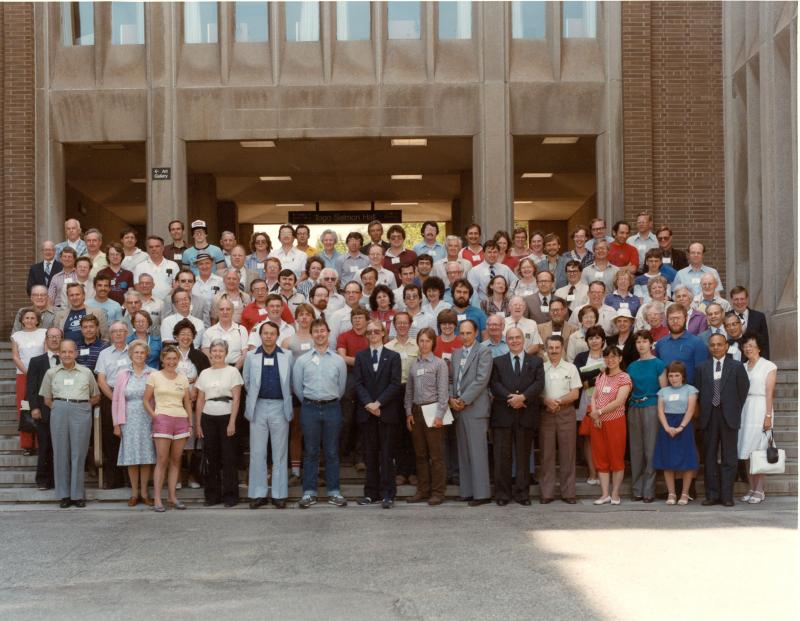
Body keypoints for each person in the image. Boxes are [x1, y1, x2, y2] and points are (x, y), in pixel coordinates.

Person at [293, 319, 348, 509]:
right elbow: (298, 388)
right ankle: (309, 492)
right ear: (311, 334)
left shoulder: (338, 360)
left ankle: (334, 492)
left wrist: (329, 400)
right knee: (310, 451)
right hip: (309, 408)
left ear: (328, 333)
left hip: (333, 408)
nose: (319, 334)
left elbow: (341, 388)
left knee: (332, 451)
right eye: (315, 331)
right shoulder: (302, 360)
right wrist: (311, 401)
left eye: (322, 331)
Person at [39, 340, 101, 508]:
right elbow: (46, 399)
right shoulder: (51, 373)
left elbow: (95, 396)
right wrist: (61, 407)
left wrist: (81, 407)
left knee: (78, 453)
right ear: (59, 353)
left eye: (70, 351)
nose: (67, 354)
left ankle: (77, 494)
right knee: (60, 453)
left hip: (80, 411)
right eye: (63, 351)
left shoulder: (86, 372)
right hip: (58, 410)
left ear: (76, 353)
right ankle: (64, 495)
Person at [490, 327, 544, 506]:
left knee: (523, 456)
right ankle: (502, 494)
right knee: (502, 456)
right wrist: (511, 398)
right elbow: (494, 384)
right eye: (511, 338)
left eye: (517, 338)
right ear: (507, 341)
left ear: (524, 340)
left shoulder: (535, 362)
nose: (514, 341)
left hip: (525, 413)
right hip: (503, 414)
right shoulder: (497, 362)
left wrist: (523, 397)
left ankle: (522, 494)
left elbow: (539, 384)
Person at [244, 321, 294, 509]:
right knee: (257, 452)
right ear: (260, 335)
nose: (268, 336)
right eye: (265, 333)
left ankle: (279, 494)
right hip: (258, 406)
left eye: (272, 333)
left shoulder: (287, 355)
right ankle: (258, 493)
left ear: (277, 335)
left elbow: (291, 382)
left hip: (280, 406)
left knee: (280, 453)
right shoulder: (251, 356)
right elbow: (247, 382)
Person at [696, 333, 750, 507]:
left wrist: (732, 408)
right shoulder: (702, 367)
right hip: (709, 416)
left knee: (729, 457)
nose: (716, 347)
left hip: (728, 416)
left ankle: (727, 496)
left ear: (726, 346)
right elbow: (698, 391)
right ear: (709, 347)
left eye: (720, 344)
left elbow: (743, 390)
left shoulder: (736, 367)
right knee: (710, 456)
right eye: (712, 345)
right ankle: (712, 495)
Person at [353, 320, 402, 508]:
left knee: (387, 454)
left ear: (383, 333)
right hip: (367, 413)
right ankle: (371, 493)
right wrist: (369, 404)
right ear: (366, 335)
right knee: (370, 454)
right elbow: (358, 383)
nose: (373, 334)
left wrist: (379, 403)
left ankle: (388, 493)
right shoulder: (361, 356)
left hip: (386, 411)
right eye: (369, 332)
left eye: (376, 331)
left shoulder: (393, 356)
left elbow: (395, 383)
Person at [143, 345, 194, 512]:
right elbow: (146, 400)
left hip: (181, 420)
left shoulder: (183, 378)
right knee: (162, 460)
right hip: (163, 419)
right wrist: (155, 416)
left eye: (174, 358)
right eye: (168, 359)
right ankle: (158, 498)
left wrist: (190, 423)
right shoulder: (155, 376)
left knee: (175, 460)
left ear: (178, 360)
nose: (171, 362)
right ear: (163, 360)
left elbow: (187, 402)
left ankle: (172, 497)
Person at [195, 340, 244, 507]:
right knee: (211, 457)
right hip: (208, 417)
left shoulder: (233, 372)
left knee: (228, 457)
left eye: (220, 350)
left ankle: (230, 496)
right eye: (214, 350)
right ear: (210, 353)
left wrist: (232, 422)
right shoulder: (204, 373)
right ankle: (212, 495)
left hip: (226, 416)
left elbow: (237, 398)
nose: (217, 353)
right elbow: (200, 400)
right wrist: (198, 424)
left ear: (226, 353)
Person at [449, 320, 493, 506]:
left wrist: (463, 400)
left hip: (474, 407)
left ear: (476, 333)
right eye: (463, 333)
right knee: (464, 451)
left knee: (477, 451)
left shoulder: (483, 351)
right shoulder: (456, 353)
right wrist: (452, 398)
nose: (465, 336)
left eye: (469, 333)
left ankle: (482, 494)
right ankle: (467, 491)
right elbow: (452, 379)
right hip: (459, 407)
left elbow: (481, 380)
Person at [405, 328, 449, 506]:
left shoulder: (440, 364)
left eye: (427, 341)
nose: (424, 344)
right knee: (420, 454)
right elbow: (409, 391)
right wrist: (408, 412)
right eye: (421, 340)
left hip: (433, 411)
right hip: (416, 412)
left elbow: (443, 392)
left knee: (436, 455)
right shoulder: (414, 365)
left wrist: (439, 415)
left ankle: (438, 492)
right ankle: (423, 490)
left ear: (433, 343)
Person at [111, 340, 157, 507]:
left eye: (142, 352)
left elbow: (157, 398)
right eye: (136, 352)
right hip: (128, 418)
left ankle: (144, 493)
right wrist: (116, 423)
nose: (139, 355)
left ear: (146, 355)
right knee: (131, 457)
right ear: (131, 354)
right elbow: (116, 400)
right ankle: (134, 493)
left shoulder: (153, 373)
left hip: (147, 418)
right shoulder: (123, 374)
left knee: (145, 456)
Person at [626, 330, 667, 502]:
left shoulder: (659, 364)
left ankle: (648, 490)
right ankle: (637, 489)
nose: (641, 345)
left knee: (650, 449)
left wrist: (661, 412)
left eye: (644, 341)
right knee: (636, 450)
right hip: (634, 406)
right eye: (638, 342)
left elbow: (663, 391)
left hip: (652, 406)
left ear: (650, 343)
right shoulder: (631, 366)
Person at [588, 346, 632, 505]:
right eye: (607, 357)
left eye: (614, 357)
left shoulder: (624, 377)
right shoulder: (601, 375)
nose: (610, 360)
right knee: (600, 457)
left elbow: (619, 401)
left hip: (615, 421)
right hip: (598, 422)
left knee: (616, 457)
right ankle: (605, 494)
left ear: (620, 359)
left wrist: (598, 412)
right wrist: (594, 413)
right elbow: (594, 396)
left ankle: (615, 494)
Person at [540, 335, 581, 503]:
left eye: (557, 348)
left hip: (566, 413)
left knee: (568, 453)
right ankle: (547, 493)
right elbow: (537, 391)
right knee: (546, 454)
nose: (554, 351)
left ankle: (569, 492)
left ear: (562, 348)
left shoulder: (571, 368)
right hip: (546, 413)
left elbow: (575, 393)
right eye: (551, 348)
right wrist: (546, 401)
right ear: (546, 349)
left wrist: (558, 401)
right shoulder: (541, 368)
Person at [737, 332, 777, 504]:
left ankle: (760, 490)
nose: (748, 348)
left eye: (751, 346)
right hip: (746, 408)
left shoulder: (768, 366)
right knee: (746, 450)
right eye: (745, 346)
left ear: (759, 348)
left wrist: (768, 416)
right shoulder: (743, 367)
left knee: (759, 450)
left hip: (761, 407)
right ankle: (751, 488)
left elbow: (769, 393)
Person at [653, 361, 700, 505]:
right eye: (671, 375)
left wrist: (681, 427)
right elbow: (660, 410)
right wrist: (667, 427)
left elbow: (691, 410)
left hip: (684, 425)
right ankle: (671, 493)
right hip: (667, 425)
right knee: (668, 461)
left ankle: (685, 494)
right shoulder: (663, 391)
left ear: (683, 376)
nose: (673, 378)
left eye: (677, 375)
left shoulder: (690, 390)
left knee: (687, 460)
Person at [385, 312, 419, 488]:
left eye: (406, 323)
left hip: (413, 391)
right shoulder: (389, 347)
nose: (402, 326)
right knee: (397, 432)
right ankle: (400, 472)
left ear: (410, 325)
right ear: (394, 325)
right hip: (395, 391)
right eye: (399, 323)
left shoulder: (417, 346)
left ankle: (413, 471)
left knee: (413, 432)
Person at [94, 322, 130, 488]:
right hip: (110, 396)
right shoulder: (104, 354)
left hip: (131, 398)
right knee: (110, 438)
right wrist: (115, 399)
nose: (118, 334)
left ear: (127, 333)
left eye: (121, 331)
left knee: (130, 437)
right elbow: (101, 380)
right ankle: (114, 479)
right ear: (110, 334)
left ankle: (131, 479)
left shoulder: (134, 350)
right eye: (114, 331)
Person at [26, 327, 62, 490]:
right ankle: (42, 480)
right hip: (43, 410)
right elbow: (31, 387)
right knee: (45, 446)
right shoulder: (37, 361)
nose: (54, 340)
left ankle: (59, 480)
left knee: (60, 447)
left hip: (63, 410)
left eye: (57, 337)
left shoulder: (68, 359)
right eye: (51, 337)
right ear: (46, 340)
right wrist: (34, 408)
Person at [337, 307, 369, 472]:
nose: (357, 320)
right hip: (349, 380)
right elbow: (342, 358)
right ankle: (341, 455)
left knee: (363, 420)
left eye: (360, 317)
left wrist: (355, 361)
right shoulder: (344, 336)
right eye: (355, 317)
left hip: (368, 381)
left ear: (366, 319)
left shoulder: (371, 336)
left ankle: (360, 458)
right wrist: (365, 362)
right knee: (346, 419)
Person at [573, 325, 606, 486]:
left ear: (603, 340)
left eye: (597, 337)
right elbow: (579, 380)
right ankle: (592, 472)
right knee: (588, 437)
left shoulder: (609, 355)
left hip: (606, 402)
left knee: (603, 437)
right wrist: (599, 375)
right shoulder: (580, 357)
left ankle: (603, 472)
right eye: (591, 338)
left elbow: (614, 375)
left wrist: (590, 379)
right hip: (585, 401)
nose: (594, 341)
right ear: (587, 341)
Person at [11, 308, 47, 455]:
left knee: (40, 406)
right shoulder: (16, 336)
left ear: (37, 320)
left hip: (41, 376)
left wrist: (37, 373)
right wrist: (29, 372)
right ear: (22, 320)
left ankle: (40, 442)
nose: (30, 320)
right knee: (25, 407)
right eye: (27, 318)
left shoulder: (44, 332)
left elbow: (46, 353)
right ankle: (27, 444)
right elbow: (15, 356)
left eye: (33, 318)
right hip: (23, 375)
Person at [655, 303, 709, 385]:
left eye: (678, 318)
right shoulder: (660, 344)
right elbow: (658, 372)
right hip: (666, 393)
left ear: (686, 318)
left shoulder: (697, 343)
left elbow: (702, 374)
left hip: (689, 394)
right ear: (666, 320)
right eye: (671, 319)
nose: (675, 321)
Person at [729, 286, 770, 359]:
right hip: (732, 361)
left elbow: (764, 343)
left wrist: (765, 363)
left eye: (742, 299)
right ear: (731, 300)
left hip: (754, 362)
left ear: (747, 299)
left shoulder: (759, 317)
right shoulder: (726, 317)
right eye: (736, 299)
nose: (739, 302)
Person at [134, 236, 179, 301]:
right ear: (147, 249)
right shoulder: (140, 267)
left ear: (163, 248)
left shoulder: (173, 265)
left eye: (157, 246)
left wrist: (167, 300)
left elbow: (177, 286)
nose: (154, 249)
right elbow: (137, 287)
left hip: (169, 303)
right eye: (151, 247)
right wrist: (150, 301)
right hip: (147, 304)